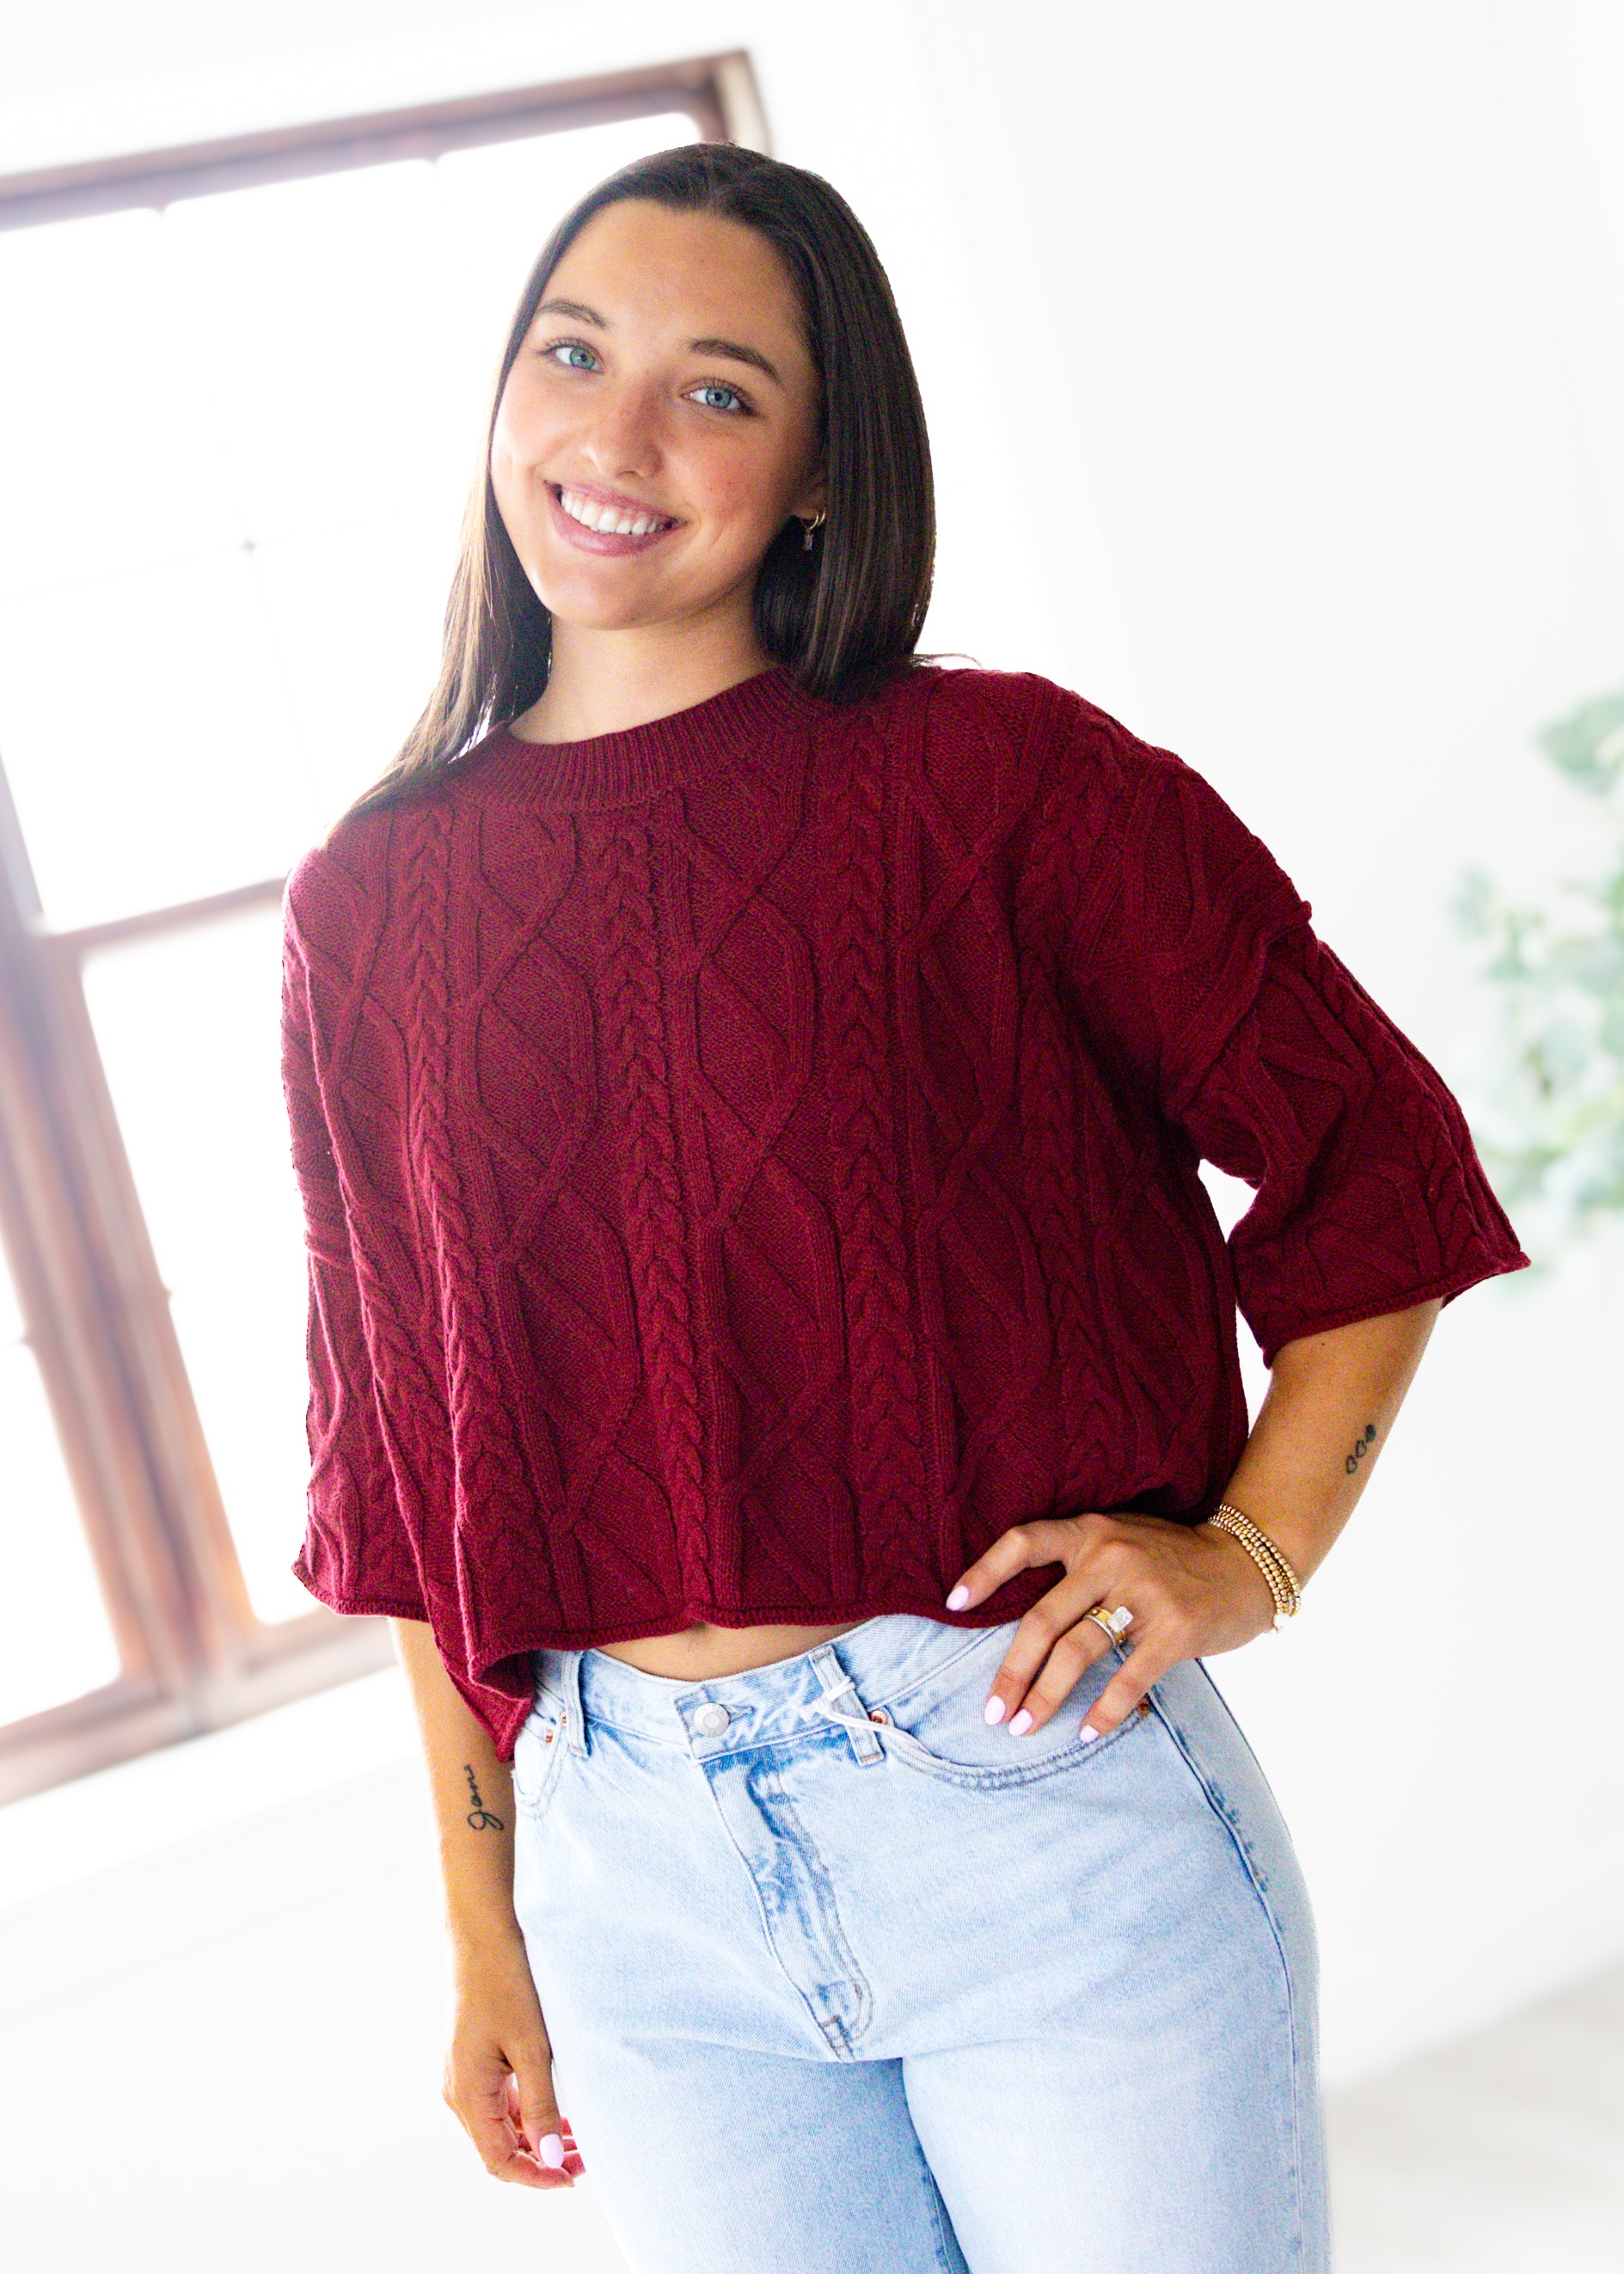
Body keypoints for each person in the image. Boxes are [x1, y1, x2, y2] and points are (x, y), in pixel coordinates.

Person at [279, 142, 1526, 2274]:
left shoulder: (1004, 783)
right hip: (633, 1889)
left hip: (1032, 1803)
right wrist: (489, 1928)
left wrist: (1249, 1554)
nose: (618, 434)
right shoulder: (367, 905)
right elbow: (415, 1473)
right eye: (573, 354)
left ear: (822, 474)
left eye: (719, 389)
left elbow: (1378, 1165)